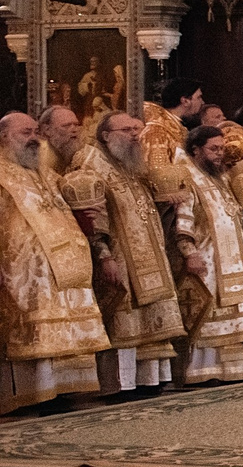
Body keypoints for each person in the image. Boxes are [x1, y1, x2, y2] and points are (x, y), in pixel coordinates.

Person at [62, 111, 185, 394]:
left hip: (149, 255)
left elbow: (144, 209)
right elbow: (90, 216)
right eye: (126, 129)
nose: (134, 135)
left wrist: (167, 206)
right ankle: (123, 383)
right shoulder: (89, 163)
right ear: (106, 135)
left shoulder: (131, 163)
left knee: (152, 321)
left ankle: (150, 379)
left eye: (136, 129)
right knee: (123, 324)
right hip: (119, 257)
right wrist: (104, 254)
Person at [0, 110, 107, 410]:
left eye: (36, 131)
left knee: (65, 329)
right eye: (25, 133)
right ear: (5, 137)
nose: (34, 138)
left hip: (60, 269)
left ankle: (62, 389)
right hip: (21, 272)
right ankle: (33, 393)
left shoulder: (47, 173)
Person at [169, 124, 243, 385]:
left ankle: (234, 369)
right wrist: (190, 253)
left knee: (235, 313)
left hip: (232, 254)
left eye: (221, 148)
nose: (219, 154)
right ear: (196, 150)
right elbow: (183, 220)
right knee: (210, 312)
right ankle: (204, 371)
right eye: (213, 149)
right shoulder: (187, 176)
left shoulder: (219, 176)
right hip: (208, 257)